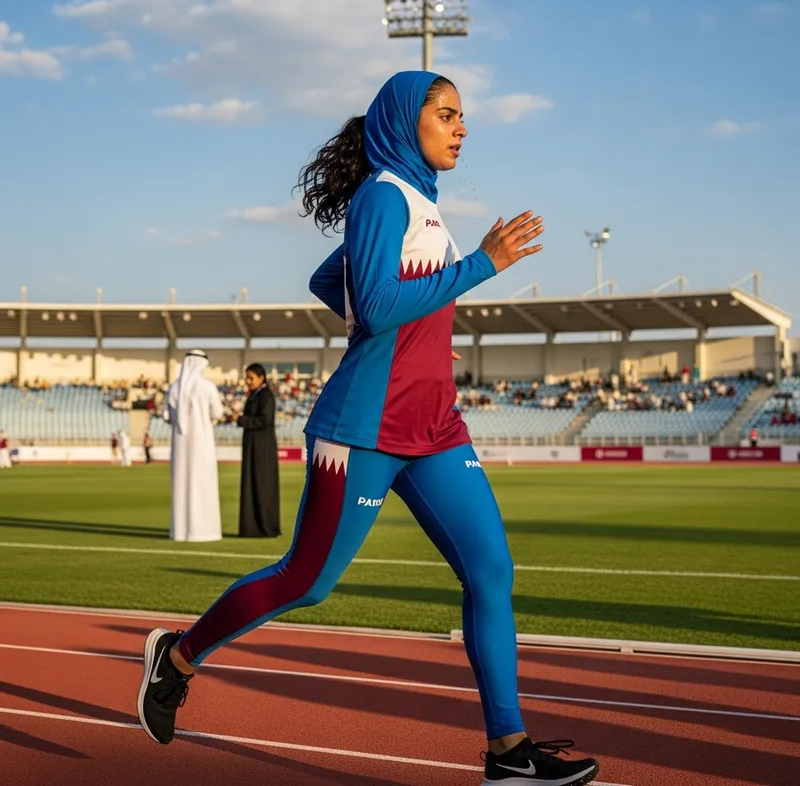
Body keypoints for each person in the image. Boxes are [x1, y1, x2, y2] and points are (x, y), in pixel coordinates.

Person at [136, 71, 599, 785]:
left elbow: (336, 283)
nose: (462, 128)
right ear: (405, 121)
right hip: (362, 430)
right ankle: (177, 657)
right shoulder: (383, 194)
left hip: (436, 428)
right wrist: (483, 264)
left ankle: (509, 754)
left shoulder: (420, 201)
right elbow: (377, 305)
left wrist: (407, 325)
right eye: (447, 114)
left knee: (490, 571)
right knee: (306, 581)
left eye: (463, 116)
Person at [162, 349, 225, 543]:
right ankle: (204, 531)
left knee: (181, 484)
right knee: (202, 484)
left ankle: (180, 531)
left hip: (180, 444)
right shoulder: (207, 387)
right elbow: (218, 413)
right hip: (202, 443)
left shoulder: (174, 388)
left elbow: (166, 416)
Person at [235, 363, 280, 538]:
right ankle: (252, 527)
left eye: (251, 378)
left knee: (263, 484)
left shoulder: (266, 395)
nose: (248, 381)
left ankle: (266, 527)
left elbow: (265, 420)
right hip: (253, 445)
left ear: (261, 378)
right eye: (247, 378)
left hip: (262, 447)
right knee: (252, 482)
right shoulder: (254, 395)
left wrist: (242, 420)